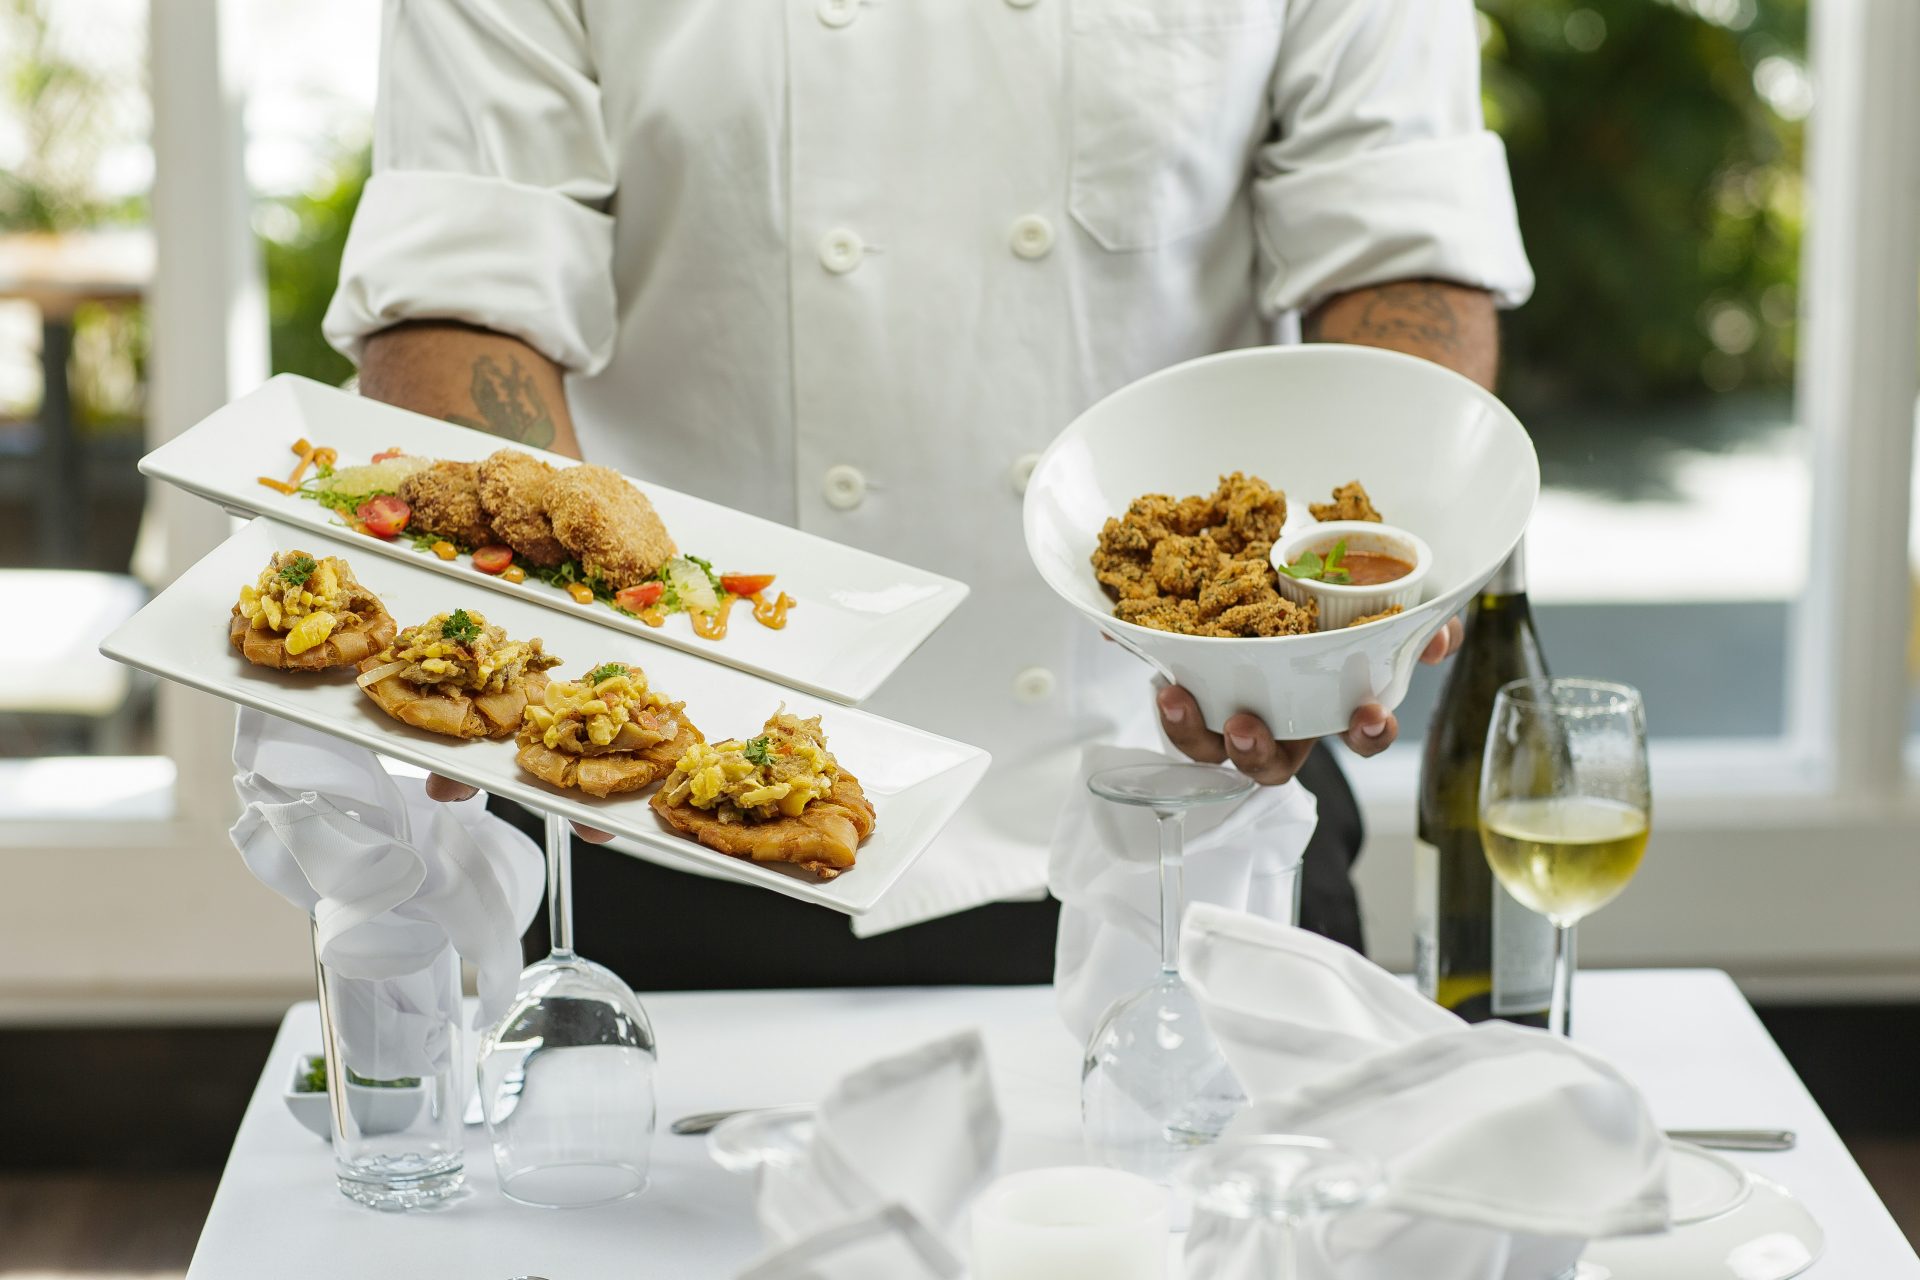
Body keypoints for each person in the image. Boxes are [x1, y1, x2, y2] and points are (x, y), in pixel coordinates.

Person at [323, 0, 1532, 989]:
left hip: (1188, 800)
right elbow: (462, 284)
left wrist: (1349, 613)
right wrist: (522, 640)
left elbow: (1396, 250)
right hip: (668, 809)